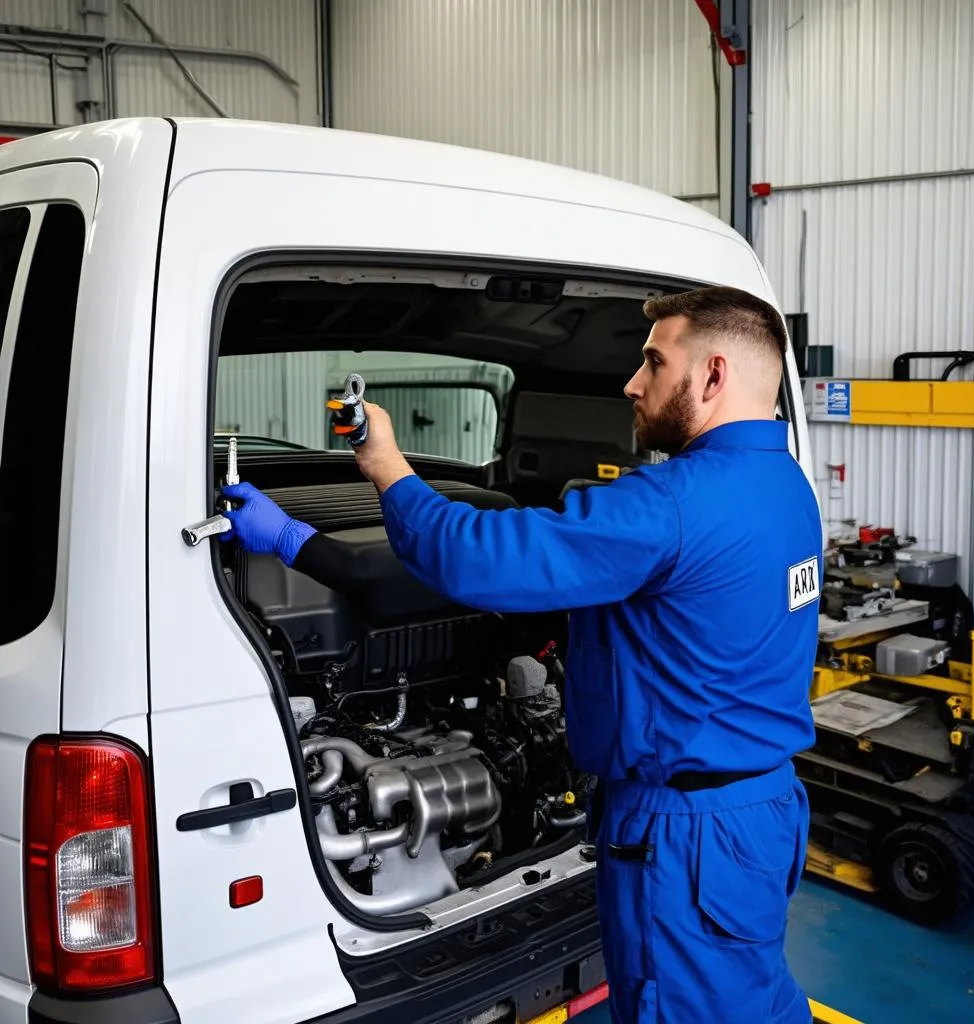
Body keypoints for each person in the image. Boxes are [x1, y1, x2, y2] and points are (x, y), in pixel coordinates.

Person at [221, 285, 822, 1024]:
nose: (633, 384)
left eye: (653, 364)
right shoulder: (788, 485)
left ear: (714, 376)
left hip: (686, 835)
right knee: (751, 992)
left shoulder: (672, 503)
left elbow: (480, 555)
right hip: (760, 809)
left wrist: (384, 466)